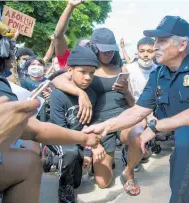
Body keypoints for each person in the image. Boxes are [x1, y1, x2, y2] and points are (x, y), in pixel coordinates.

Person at [83, 15, 189, 203]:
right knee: (182, 178)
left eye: (162, 41)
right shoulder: (159, 74)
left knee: (186, 149)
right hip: (184, 133)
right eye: (156, 40)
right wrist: (106, 126)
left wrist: (155, 127)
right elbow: (137, 110)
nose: (155, 46)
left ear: (182, 45)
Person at [0, 17, 102, 203]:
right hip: (65, 140)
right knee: (31, 162)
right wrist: (86, 139)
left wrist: (89, 149)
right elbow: (36, 130)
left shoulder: (91, 93)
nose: (13, 60)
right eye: (11, 50)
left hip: (74, 140)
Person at [52, 0, 144, 196]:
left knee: (136, 134)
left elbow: (134, 106)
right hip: (98, 125)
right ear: (94, 47)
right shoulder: (85, 65)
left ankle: (129, 173)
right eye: (103, 48)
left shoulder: (121, 68)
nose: (108, 52)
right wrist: (81, 93)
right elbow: (57, 79)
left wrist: (126, 91)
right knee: (103, 183)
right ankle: (103, 163)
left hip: (122, 118)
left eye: (111, 48)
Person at [49, 45, 99, 203]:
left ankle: (62, 161)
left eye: (92, 73)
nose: (88, 77)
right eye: (82, 72)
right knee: (69, 152)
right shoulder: (58, 95)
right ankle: (63, 188)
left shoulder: (91, 94)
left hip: (78, 139)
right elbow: (60, 130)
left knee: (77, 182)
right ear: (70, 70)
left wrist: (88, 152)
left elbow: (89, 126)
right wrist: (79, 148)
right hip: (57, 136)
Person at [122, 37, 158, 170]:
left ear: (155, 52)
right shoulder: (128, 69)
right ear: (137, 52)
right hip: (133, 107)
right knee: (137, 126)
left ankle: (144, 146)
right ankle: (129, 151)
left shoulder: (159, 69)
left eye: (150, 51)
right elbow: (127, 95)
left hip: (153, 110)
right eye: (142, 51)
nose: (146, 54)